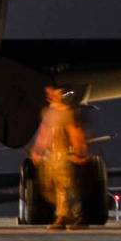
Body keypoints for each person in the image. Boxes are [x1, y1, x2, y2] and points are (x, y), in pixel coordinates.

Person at [29, 85, 89, 229]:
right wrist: (38, 151)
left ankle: (75, 216)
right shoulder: (49, 112)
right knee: (55, 186)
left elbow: (75, 134)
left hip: (64, 155)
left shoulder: (66, 113)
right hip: (52, 156)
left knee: (68, 186)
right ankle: (64, 215)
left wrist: (79, 152)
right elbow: (44, 134)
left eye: (51, 91)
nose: (48, 94)